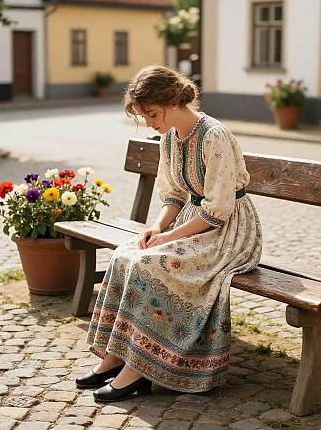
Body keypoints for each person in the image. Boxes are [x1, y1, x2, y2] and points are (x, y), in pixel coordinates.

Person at [75, 65, 263, 402]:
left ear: (174, 101)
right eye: (142, 115)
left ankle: (139, 369)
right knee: (125, 255)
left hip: (230, 232)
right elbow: (174, 195)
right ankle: (117, 356)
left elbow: (217, 210)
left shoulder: (214, 135)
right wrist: (159, 226)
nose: (148, 122)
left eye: (151, 113)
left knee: (153, 264)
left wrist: (170, 238)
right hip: (193, 223)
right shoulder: (169, 139)